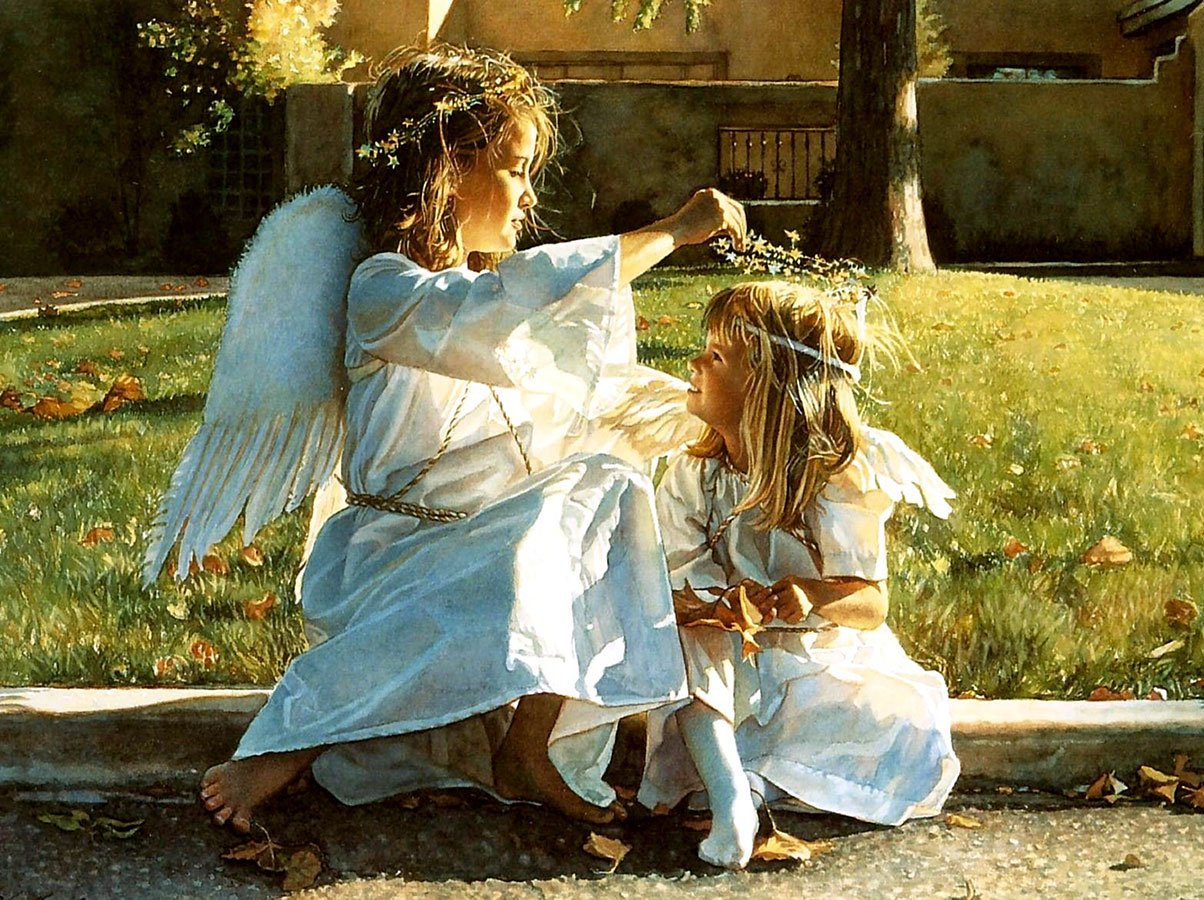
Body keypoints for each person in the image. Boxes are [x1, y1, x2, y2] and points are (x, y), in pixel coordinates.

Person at [145, 44, 747, 833]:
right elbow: (500, 309)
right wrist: (671, 231)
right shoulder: (386, 289)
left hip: (477, 550)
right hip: (390, 555)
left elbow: (579, 387)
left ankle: (526, 747)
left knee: (608, 480)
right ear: (446, 169)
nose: (528, 195)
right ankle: (290, 745)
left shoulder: (480, 293)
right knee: (539, 529)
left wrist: (710, 412)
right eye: (515, 170)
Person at [637, 280, 960, 869]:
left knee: (894, 723)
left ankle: (753, 786)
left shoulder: (831, 476)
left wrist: (813, 594)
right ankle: (731, 795)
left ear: (765, 386)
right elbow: (676, 580)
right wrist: (719, 604)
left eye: (716, 356)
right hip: (726, 661)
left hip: (816, 655)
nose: (695, 363)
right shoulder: (695, 474)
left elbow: (871, 604)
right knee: (687, 642)